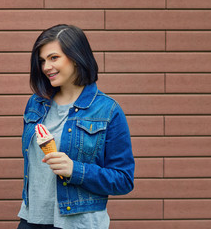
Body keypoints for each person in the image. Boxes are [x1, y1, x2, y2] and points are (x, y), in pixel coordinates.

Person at [17, 24, 135, 229]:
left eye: (54, 58)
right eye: (42, 61)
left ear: (76, 57)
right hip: (32, 220)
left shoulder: (107, 110)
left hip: (79, 223)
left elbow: (123, 179)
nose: (46, 67)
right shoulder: (36, 105)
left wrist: (76, 170)